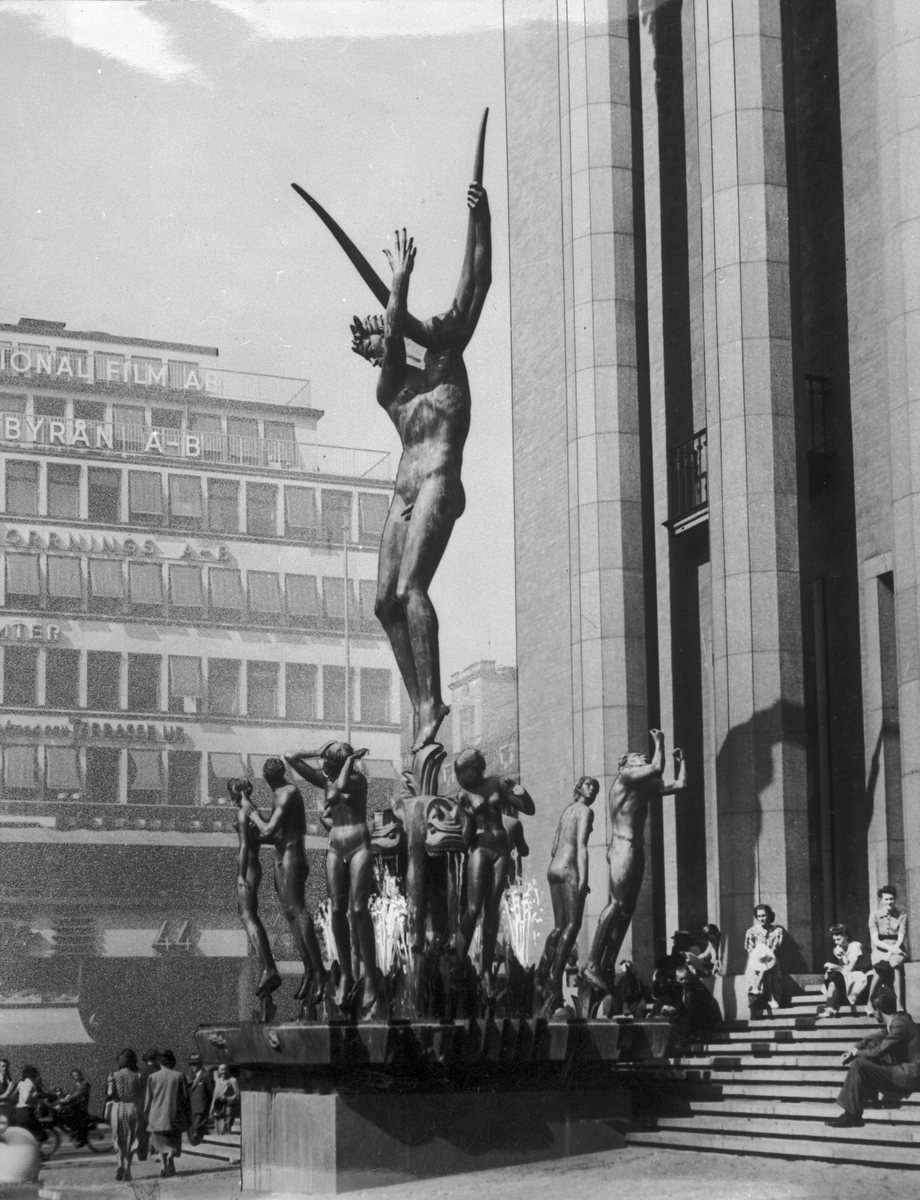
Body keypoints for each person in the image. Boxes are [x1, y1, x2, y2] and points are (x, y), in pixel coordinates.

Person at [349, 176, 492, 754]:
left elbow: (476, 281)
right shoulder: (392, 392)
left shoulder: (447, 362)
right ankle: (421, 704)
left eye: (379, 342)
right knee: (383, 603)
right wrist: (396, 294)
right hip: (403, 492)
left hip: (438, 480)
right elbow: (392, 342)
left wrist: (480, 221)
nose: (377, 351)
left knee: (412, 589)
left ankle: (432, 702)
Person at [584, 731, 688, 991]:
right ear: (626, 763)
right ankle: (592, 963)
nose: (643, 757)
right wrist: (659, 742)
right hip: (623, 847)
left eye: (644, 755)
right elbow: (656, 767)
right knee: (617, 903)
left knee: (627, 908)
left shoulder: (644, 786)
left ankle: (608, 963)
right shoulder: (626, 776)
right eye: (638, 756)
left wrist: (682, 762)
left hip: (636, 849)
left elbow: (680, 785)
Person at [284, 744, 378, 1013]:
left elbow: (341, 787)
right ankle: (346, 973)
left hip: (359, 845)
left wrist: (350, 761)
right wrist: (318, 750)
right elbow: (290, 757)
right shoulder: (327, 780)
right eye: (323, 760)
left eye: (328, 760)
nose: (323, 765)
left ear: (341, 762)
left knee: (358, 910)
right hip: (336, 846)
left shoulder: (357, 780)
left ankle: (371, 978)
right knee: (336, 909)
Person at [243, 757, 328, 1009]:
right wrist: (255, 831)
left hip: (292, 857)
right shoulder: (279, 793)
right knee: (291, 915)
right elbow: (274, 834)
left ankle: (320, 971)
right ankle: (310, 969)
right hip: (282, 857)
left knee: (298, 911)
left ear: (266, 777)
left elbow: (269, 830)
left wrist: (255, 817)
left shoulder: (288, 792)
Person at [452, 747, 535, 994]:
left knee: (492, 910)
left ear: (475, 768)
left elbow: (528, 809)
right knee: (473, 908)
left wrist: (523, 793)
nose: (462, 778)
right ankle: (457, 962)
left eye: (464, 772)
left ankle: (486, 970)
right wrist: (468, 817)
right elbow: (465, 840)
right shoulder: (463, 795)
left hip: (501, 850)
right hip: (479, 850)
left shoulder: (496, 784)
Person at [539, 776, 597, 1010]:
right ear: (579, 789)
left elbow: (554, 846)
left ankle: (542, 971)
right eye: (589, 785)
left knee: (559, 926)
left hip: (554, 868)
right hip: (569, 867)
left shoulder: (566, 811)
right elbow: (581, 845)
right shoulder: (585, 811)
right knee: (573, 925)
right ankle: (554, 977)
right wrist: (583, 878)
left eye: (595, 788)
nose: (593, 790)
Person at [825, 991, 920, 1127]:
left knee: (859, 1064)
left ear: (878, 1011)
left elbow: (878, 1052)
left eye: (871, 1010)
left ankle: (851, 1115)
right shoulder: (899, 1021)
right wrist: (853, 1050)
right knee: (871, 1044)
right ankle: (867, 1101)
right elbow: (871, 1039)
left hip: (912, 1074)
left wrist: (856, 1054)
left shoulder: (900, 1025)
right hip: (905, 1071)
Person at [230, 777, 282, 1004]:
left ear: (235, 792)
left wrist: (241, 875)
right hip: (253, 866)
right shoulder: (253, 809)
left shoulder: (245, 812)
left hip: (249, 868)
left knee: (248, 915)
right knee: (251, 916)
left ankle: (268, 967)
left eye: (230, 794)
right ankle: (266, 966)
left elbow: (244, 846)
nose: (230, 799)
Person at [144, 1048, 189, 1179]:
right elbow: (185, 1098)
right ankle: (171, 1157)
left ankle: (164, 1166)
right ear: (173, 1062)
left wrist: (146, 1114)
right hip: (174, 1115)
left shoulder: (153, 1077)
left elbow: (148, 1099)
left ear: (160, 1062)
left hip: (156, 1115)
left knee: (161, 1143)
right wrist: (186, 1116)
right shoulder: (180, 1076)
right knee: (174, 1141)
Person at [106, 1048, 143, 1183]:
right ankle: (127, 1171)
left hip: (118, 1108)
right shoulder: (137, 1076)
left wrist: (110, 1082)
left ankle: (120, 1165)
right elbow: (139, 1095)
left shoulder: (113, 1075)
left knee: (118, 1138)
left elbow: (110, 1094)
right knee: (130, 1140)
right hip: (132, 1108)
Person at [869, 884, 907, 1010]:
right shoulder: (874, 915)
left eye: (891, 899)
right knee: (881, 966)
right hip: (880, 948)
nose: (889, 902)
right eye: (886, 899)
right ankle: (869, 1003)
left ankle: (900, 1004)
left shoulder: (902, 915)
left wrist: (892, 951)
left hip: (897, 947)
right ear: (881, 900)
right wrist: (889, 950)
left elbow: (901, 937)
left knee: (895, 963)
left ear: (895, 899)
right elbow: (875, 940)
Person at [821, 923, 872, 1018]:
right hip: (852, 975)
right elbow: (844, 967)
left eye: (838, 939)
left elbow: (850, 968)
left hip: (864, 975)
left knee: (835, 974)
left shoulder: (856, 945)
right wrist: (840, 958)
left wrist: (833, 966)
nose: (836, 942)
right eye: (834, 940)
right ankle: (830, 1007)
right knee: (833, 976)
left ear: (846, 936)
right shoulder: (839, 948)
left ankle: (830, 1008)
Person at [744, 905, 786, 1017]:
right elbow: (750, 951)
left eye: (763, 915)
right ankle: (770, 999)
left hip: (771, 960)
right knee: (761, 968)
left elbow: (775, 949)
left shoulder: (777, 931)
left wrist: (765, 959)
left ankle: (757, 988)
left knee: (768, 966)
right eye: (759, 916)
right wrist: (759, 961)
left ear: (769, 915)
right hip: (755, 962)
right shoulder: (751, 932)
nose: (761, 919)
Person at [670, 963, 722, 1050]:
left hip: (707, 1015)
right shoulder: (680, 987)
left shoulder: (697, 986)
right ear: (677, 979)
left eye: (685, 978)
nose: (683, 981)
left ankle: (683, 1041)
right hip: (695, 1015)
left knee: (689, 1015)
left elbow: (698, 1007)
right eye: (681, 979)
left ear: (690, 976)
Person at [652, 931, 693, 1015]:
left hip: (683, 981)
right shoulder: (675, 949)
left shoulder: (691, 950)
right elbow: (672, 961)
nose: (676, 942)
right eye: (676, 940)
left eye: (680, 940)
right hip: (674, 980)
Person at [136, 1048, 160, 1162]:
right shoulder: (160, 1072)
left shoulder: (139, 1073)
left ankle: (142, 1155)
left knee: (142, 1132)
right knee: (156, 1131)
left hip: (141, 1106)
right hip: (157, 1106)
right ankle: (155, 1153)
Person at [55, 1069, 90, 1148]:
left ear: (81, 1074)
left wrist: (66, 1100)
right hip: (75, 1106)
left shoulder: (84, 1084)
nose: (77, 1077)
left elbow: (76, 1095)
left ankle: (76, 1137)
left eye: (78, 1075)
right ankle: (72, 1135)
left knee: (65, 1117)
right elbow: (73, 1095)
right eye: (75, 1076)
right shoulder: (77, 1085)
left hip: (81, 1107)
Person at [186, 1053, 212, 1147]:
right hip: (192, 1108)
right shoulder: (192, 1077)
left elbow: (211, 1092)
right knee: (192, 1130)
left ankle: (201, 1141)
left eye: (195, 1064)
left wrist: (209, 1108)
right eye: (191, 1064)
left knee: (197, 1127)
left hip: (201, 1108)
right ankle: (198, 1144)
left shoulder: (206, 1074)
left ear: (200, 1064)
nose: (192, 1066)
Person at [11, 1067, 43, 1139]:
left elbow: (13, 1096)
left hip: (18, 1111)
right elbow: (27, 1100)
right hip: (27, 1111)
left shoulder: (20, 1083)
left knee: (23, 1134)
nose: (37, 1075)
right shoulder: (30, 1084)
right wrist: (36, 1094)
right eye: (36, 1073)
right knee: (39, 1134)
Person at [209, 1065, 240, 1135]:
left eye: (226, 1069)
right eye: (222, 1070)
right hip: (218, 1109)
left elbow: (237, 1096)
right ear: (219, 1071)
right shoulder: (217, 1081)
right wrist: (211, 1110)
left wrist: (226, 1098)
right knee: (218, 1131)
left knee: (226, 1131)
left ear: (228, 1070)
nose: (224, 1071)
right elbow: (214, 1096)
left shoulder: (233, 1080)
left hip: (228, 1110)